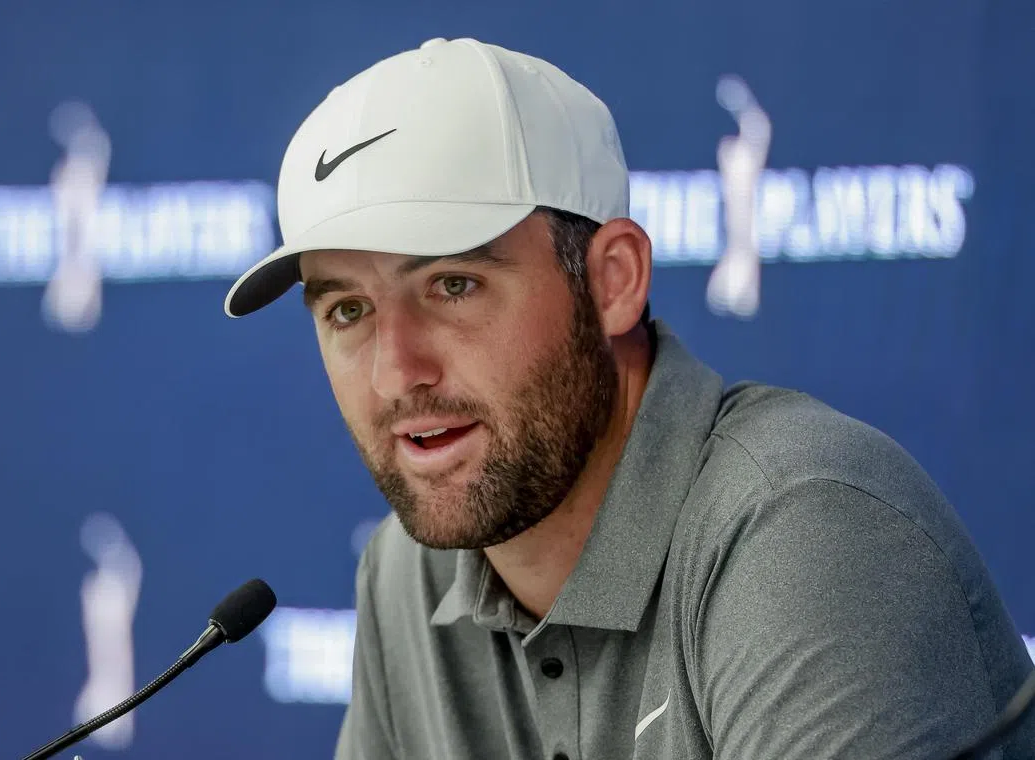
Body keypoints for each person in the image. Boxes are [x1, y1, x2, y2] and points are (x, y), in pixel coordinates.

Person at [224, 37, 1035, 759]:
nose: (396, 373)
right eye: (348, 311)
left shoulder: (809, 532)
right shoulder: (407, 574)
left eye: (453, 284)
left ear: (612, 281)